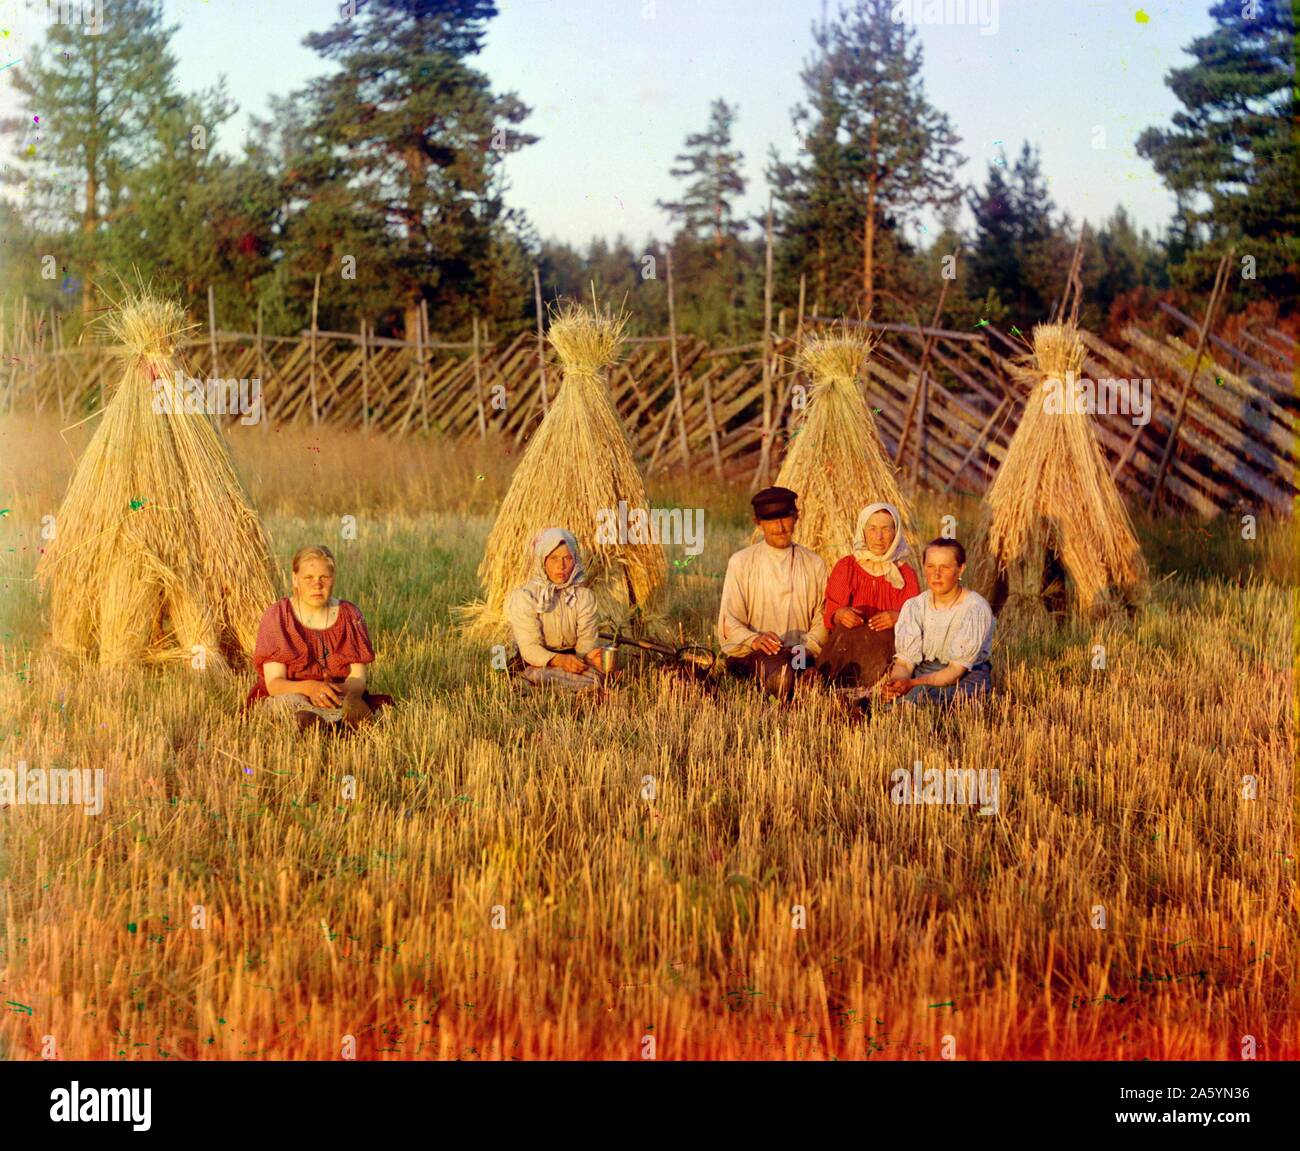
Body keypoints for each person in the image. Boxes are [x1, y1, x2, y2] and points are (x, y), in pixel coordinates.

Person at [246, 544, 393, 731]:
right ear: (295, 579)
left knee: (353, 706)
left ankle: (339, 724)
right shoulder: (278, 616)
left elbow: (358, 678)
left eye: (324, 577)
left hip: (337, 693)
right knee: (292, 706)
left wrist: (336, 694)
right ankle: (317, 726)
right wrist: (311, 688)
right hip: (291, 694)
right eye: (308, 578)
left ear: (333, 579)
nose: (317, 584)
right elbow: (275, 684)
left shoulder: (350, 615)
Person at [717, 486, 828, 698]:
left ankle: (801, 681)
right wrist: (754, 639)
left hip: (800, 653)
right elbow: (729, 621)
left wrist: (807, 647)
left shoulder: (814, 563)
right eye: (770, 520)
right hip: (756, 654)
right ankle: (790, 685)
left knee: (804, 667)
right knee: (777, 671)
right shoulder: (741, 562)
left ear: (796, 517)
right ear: (758, 523)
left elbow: (822, 618)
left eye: (785, 517)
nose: (779, 527)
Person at [817, 502, 921, 697]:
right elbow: (831, 613)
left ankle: (870, 694)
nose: (879, 537)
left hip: (885, 652)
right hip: (848, 649)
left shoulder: (905, 574)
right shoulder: (847, 567)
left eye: (886, 529)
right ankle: (834, 692)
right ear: (863, 531)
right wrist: (841, 614)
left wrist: (898, 617)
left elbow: (918, 619)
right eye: (872, 529)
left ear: (896, 532)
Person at [881, 538, 995, 706]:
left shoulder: (975, 608)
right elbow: (905, 662)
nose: (936, 574)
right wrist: (897, 683)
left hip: (965, 675)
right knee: (895, 700)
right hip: (925, 671)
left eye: (945, 567)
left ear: (960, 570)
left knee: (920, 699)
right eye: (930, 566)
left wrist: (912, 684)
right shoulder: (914, 606)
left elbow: (956, 670)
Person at [507, 527, 607, 693]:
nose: (561, 566)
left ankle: (545, 687)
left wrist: (588, 658)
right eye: (553, 558)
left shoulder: (584, 597)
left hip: (572, 659)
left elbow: (586, 641)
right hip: (537, 662)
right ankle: (530, 681)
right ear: (542, 561)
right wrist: (559, 660)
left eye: (567, 558)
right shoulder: (526, 596)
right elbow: (530, 647)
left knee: (600, 674)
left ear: (575, 561)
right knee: (591, 682)